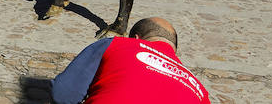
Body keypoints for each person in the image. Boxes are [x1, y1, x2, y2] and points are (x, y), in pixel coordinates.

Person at [51, 17, 211, 104]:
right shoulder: (200, 91)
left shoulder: (116, 44)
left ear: (136, 38)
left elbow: (64, 94)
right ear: (174, 50)